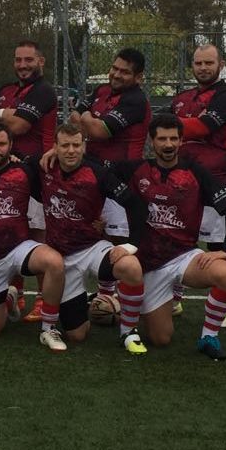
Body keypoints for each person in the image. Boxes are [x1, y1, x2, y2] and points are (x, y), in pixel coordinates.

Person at [116, 114, 226, 360]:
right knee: (161, 339)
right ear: (152, 142)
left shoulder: (195, 172)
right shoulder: (136, 169)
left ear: (182, 141)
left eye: (174, 138)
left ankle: (209, 336)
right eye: (162, 139)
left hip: (184, 257)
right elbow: (96, 172)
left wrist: (225, 249)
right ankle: (139, 306)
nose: (168, 144)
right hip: (148, 264)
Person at [36, 123, 149, 354]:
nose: (71, 150)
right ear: (54, 147)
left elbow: (136, 205)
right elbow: (8, 163)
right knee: (77, 335)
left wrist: (131, 245)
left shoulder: (98, 173)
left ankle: (129, 332)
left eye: (76, 145)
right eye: (65, 145)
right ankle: (90, 305)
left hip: (91, 249)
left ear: (84, 146)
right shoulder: (43, 168)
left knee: (131, 267)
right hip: (61, 258)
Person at [0, 123, 67, 346]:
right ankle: (8, 296)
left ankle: (49, 328)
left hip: (19, 247)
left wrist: (55, 149)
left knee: (54, 262)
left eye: (1, 144)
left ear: (11, 145)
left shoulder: (26, 170)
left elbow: (52, 162)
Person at [0, 39, 59, 321]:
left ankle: (41, 301)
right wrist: (1, 114)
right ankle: (14, 293)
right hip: (3, 174)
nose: (22, 65)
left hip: (37, 173)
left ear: (41, 62)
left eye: (29, 60)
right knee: (9, 229)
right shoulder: (5, 90)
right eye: (18, 60)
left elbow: (18, 125)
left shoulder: (45, 91)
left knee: (37, 236)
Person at [170, 43, 226, 326]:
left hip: (219, 179)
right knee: (176, 237)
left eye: (208, 63)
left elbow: (203, 128)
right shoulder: (183, 97)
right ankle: (173, 298)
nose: (203, 68)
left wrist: (169, 124)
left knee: (220, 243)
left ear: (220, 64)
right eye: (198, 63)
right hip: (184, 180)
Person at [70, 47, 150, 297]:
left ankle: (121, 298)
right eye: (114, 68)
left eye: (124, 72)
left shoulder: (136, 100)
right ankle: (106, 294)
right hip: (95, 174)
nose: (116, 75)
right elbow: (75, 120)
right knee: (97, 232)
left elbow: (98, 131)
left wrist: (86, 118)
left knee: (119, 241)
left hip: (123, 176)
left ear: (138, 78)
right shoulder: (101, 91)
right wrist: (87, 120)